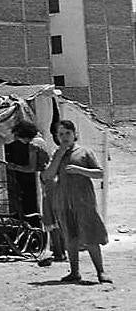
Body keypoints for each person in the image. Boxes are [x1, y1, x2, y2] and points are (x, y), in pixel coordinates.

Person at [42, 120, 111, 284]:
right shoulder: (57, 154)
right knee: (70, 237)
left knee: (91, 236)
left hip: (84, 201)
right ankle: (74, 272)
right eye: (61, 134)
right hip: (64, 200)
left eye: (67, 133)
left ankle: (101, 272)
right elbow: (47, 176)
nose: (64, 137)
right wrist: (59, 155)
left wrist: (80, 170)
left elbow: (100, 173)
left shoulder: (85, 152)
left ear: (74, 134)